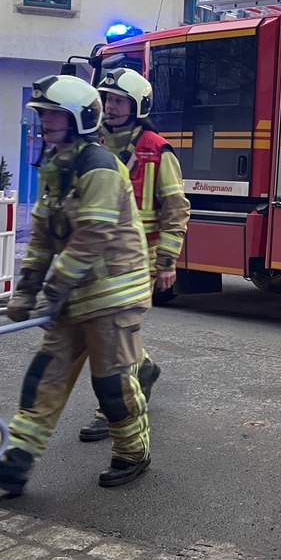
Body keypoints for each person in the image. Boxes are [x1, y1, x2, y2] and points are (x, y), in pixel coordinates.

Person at [0, 75, 153, 495]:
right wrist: (25, 290)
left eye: (52, 114)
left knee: (111, 383)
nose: (44, 122)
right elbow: (43, 238)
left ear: (79, 119)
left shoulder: (100, 167)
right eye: (42, 114)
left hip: (112, 296)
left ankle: (132, 451)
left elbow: (92, 236)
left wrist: (51, 291)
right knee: (43, 376)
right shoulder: (55, 166)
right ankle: (17, 462)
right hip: (72, 297)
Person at [76, 67, 191, 443]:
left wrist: (167, 262)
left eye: (118, 100)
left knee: (110, 333)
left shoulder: (157, 150)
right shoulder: (91, 145)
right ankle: (145, 369)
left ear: (137, 105)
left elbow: (175, 209)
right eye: (107, 99)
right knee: (110, 331)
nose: (110, 106)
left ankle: (111, 412)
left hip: (138, 258)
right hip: (97, 257)